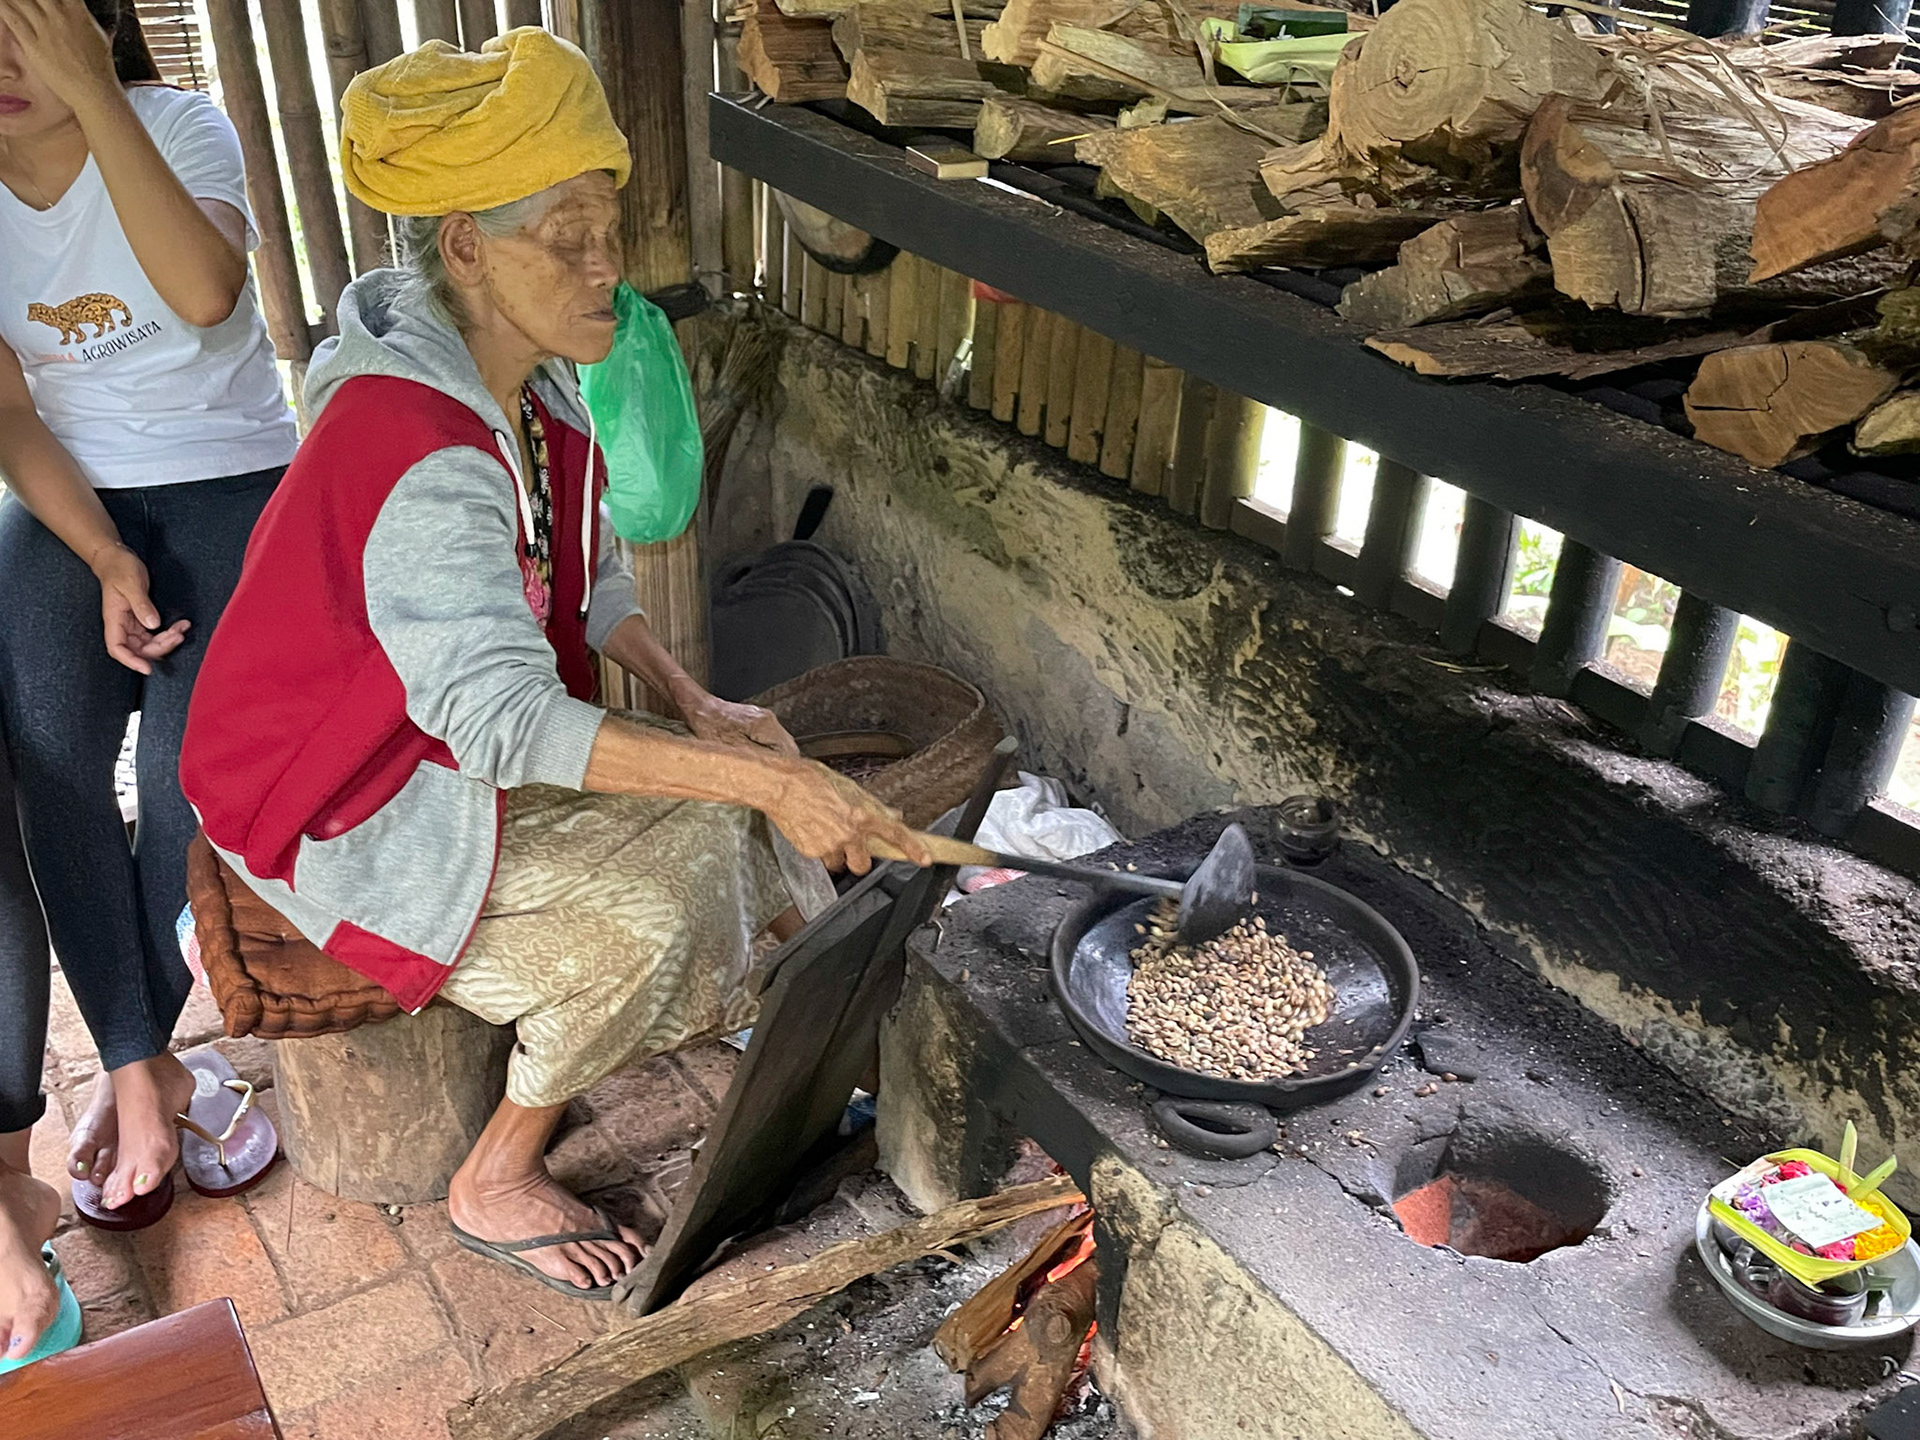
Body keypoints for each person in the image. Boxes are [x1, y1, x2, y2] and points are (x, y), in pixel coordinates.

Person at [180, 28, 928, 1301]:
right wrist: (756, 784)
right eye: (565, 232)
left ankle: (783, 1015)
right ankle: (492, 1175)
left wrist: (696, 703)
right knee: (658, 906)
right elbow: (497, 722)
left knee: (725, 819)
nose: (605, 265)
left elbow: (584, 583)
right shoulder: (415, 445)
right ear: (466, 244)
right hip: (331, 796)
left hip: (421, 746)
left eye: (607, 223)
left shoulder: (529, 378)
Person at [0, 0, 299, 1244]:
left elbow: (205, 291)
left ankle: (142, 1062)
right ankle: (142, 1069)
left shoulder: (179, 128)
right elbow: (8, 415)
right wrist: (106, 551)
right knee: (52, 768)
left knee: (191, 787)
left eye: (25, 28)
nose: (1, 67)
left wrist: (100, 92)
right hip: (74, 502)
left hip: (234, 483)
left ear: (89, 23)